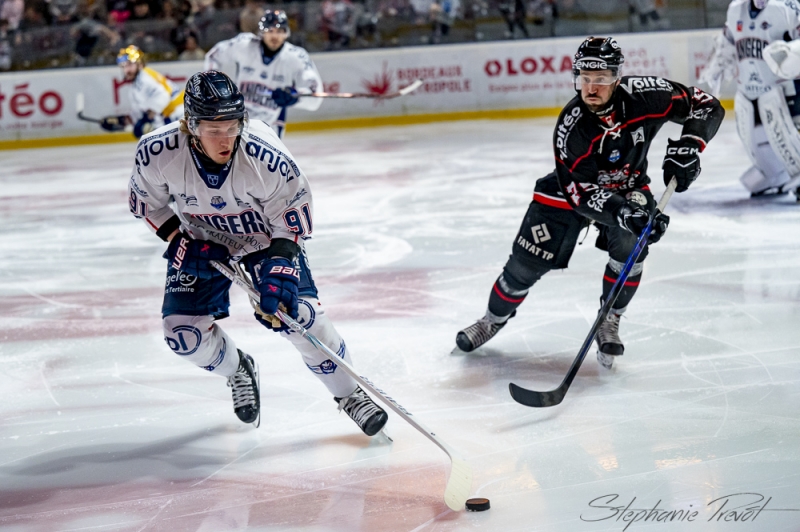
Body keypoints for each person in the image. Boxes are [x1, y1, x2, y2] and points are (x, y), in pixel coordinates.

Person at [126, 70, 388, 435]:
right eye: (214, 130)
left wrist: (280, 264)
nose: (226, 139)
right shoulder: (157, 152)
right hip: (202, 241)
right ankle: (238, 369)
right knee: (182, 335)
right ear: (190, 126)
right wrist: (179, 240)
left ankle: (350, 394)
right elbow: (149, 207)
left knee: (301, 317)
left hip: (263, 239)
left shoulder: (265, 154)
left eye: (232, 127)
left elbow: (291, 215)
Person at [456, 37, 724, 369]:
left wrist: (690, 144)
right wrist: (621, 212)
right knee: (525, 264)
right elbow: (579, 191)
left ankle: (610, 318)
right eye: (584, 78)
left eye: (600, 79)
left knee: (632, 247)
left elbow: (706, 104)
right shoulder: (572, 127)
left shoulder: (647, 94)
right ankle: (491, 320)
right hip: (569, 192)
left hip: (628, 187)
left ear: (617, 77)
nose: (591, 88)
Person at [701, 0, 800, 199]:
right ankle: (772, 173)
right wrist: (718, 64)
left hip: (780, 88)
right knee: (752, 136)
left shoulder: (787, 7)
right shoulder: (736, 9)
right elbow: (728, 40)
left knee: (789, 136)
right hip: (748, 89)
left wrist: (792, 54)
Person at [204, 10, 323, 138]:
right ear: (262, 32)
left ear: (286, 33)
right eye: (270, 31)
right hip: (239, 118)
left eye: (279, 32)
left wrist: (295, 97)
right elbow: (214, 55)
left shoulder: (297, 57)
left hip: (272, 124)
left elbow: (315, 96)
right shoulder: (245, 44)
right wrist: (212, 83)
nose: (275, 36)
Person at [99, 45, 185, 138]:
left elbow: (163, 95)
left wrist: (147, 118)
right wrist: (120, 120)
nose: (126, 70)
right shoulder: (135, 86)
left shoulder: (145, 78)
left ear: (140, 64)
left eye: (129, 65)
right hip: (171, 118)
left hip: (179, 114)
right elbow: (139, 113)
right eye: (124, 66)